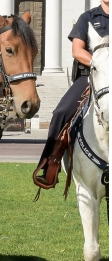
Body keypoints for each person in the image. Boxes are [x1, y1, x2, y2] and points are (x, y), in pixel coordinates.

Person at [34, 0, 109, 185]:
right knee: (61, 112)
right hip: (91, 76)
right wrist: (101, 65)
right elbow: (77, 51)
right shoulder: (88, 18)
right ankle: (50, 164)